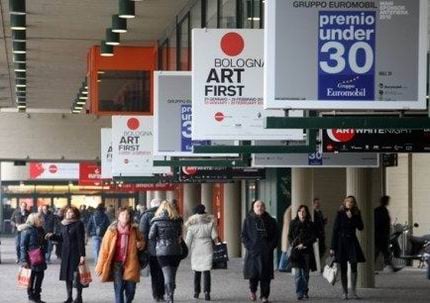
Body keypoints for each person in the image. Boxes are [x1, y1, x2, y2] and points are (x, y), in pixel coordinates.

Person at [95, 207, 145, 303]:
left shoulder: (134, 229)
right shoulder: (111, 230)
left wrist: (140, 244)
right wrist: (100, 266)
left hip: (131, 262)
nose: (125, 217)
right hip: (116, 263)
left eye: (127, 215)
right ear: (118, 217)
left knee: (131, 289)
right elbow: (104, 249)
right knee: (119, 288)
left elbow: (142, 240)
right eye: (122, 215)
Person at [46, 206, 86, 303]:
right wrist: (52, 237)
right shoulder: (63, 224)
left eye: (71, 212)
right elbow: (61, 238)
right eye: (67, 212)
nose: (69, 214)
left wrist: (82, 255)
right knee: (67, 276)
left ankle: (79, 297)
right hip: (65, 253)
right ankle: (69, 297)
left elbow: (81, 240)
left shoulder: (78, 224)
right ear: (65, 214)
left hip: (75, 253)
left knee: (77, 276)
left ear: (75, 214)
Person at [241, 200, 278, 303]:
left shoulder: (271, 221)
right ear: (253, 208)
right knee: (253, 275)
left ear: (265, 208)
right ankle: (253, 291)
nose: (260, 208)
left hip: (266, 253)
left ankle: (264, 296)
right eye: (257, 206)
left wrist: (270, 247)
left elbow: (275, 237)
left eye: (262, 206)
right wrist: (250, 247)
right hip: (253, 253)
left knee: (265, 277)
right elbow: (244, 236)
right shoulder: (248, 220)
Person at [330, 195, 365, 300]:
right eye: (348, 201)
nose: (350, 203)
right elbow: (335, 230)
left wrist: (352, 218)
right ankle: (344, 292)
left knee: (354, 266)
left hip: (352, 242)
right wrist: (332, 247)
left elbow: (361, 227)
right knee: (343, 268)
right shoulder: (340, 213)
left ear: (354, 204)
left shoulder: (356, 213)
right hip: (341, 243)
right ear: (344, 203)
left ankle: (353, 291)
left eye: (352, 202)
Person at [149, 201, 183, 303]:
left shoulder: (156, 221)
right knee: (172, 275)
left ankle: (169, 296)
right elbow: (179, 235)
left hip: (162, 252)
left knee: (166, 274)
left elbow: (150, 236)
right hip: (176, 251)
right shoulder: (177, 221)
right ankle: (171, 293)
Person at [185, 204, 218, 301]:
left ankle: (196, 292)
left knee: (197, 271)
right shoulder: (210, 224)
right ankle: (207, 292)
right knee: (206, 271)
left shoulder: (191, 226)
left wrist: (184, 251)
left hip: (196, 249)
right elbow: (215, 237)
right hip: (207, 248)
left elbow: (188, 241)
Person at [288, 205, 317, 300]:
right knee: (297, 274)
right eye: (299, 211)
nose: (301, 213)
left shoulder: (311, 224)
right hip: (296, 251)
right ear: (297, 213)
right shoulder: (293, 223)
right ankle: (299, 293)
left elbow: (313, 237)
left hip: (307, 251)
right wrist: (292, 243)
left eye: (303, 211)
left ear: (307, 213)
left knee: (305, 274)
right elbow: (289, 236)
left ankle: (305, 290)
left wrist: (304, 244)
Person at [139, 198, 165, 302]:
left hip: (152, 249)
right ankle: (162, 293)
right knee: (163, 272)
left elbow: (143, 233)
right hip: (164, 248)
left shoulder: (146, 215)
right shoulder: (166, 214)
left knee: (154, 273)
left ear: (151, 205)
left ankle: (156, 294)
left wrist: (143, 248)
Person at [19, 213, 48, 303]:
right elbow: (23, 246)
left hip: (40, 257)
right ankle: (31, 295)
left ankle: (37, 296)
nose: (42, 220)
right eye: (40, 218)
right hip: (30, 258)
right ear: (34, 220)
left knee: (40, 277)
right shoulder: (27, 230)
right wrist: (23, 260)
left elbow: (44, 242)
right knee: (31, 278)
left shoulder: (41, 229)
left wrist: (45, 243)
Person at [374, 195, 399, 272]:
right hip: (380, 235)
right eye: (387, 201)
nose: (388, 202)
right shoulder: (380, 210)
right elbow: (378, 223)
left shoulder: (382, 210)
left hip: (381, 235)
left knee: (383, 252)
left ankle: (392, 266)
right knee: (380, 252)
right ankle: (392, 267)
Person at [280, 206, 292, 272]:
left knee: (285, 251)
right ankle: (282, 266)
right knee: (286, 251)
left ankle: (282, 266)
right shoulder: (292, 209)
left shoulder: (288, 210)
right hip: (288, 232)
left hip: (286, 232)